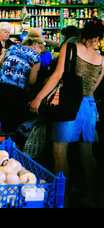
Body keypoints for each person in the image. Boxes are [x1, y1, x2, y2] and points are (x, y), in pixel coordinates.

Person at [29, 19, 104, 208]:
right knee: (87, 153)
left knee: (59, 151)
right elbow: (94, 86)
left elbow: (57, 75)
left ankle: (64, 200)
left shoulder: (70, 47)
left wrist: (38, 98)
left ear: (81, 33)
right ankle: (94, 198)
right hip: (88, 105)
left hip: (69, 104)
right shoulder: (101, 58)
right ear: (97, 38)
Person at [0, 36, 46, 146]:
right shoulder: (36, 57)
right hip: (16, 91)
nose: (40, 54)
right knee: (12, 125)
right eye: (41, 51)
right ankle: (11, 152)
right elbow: (31, 81)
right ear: (36, 45)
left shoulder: (12, 48)